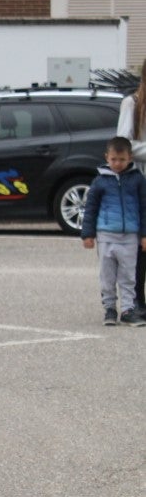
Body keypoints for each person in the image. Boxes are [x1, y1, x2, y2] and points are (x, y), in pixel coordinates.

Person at [80, 135, 146, 326]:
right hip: (106, 235)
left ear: (130, 158)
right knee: (107, 275)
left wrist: (144, 235)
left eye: (122, 159)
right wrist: (88, 234)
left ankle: (127, 309)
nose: (118, 163)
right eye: (114, 159)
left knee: (128, 276)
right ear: (107, 157)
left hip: (130, 237)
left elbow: (144, 208)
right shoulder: (100, 181)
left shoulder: (138, 180)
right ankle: (109, 308)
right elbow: (90, 208)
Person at [116, 60, 146, 314]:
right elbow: (124, 145)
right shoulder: (132, 104)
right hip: (139, 181)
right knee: (139, 244)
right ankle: (136, 299)